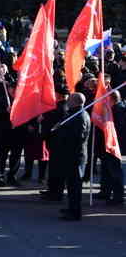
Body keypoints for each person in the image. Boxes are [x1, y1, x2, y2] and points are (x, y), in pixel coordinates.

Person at [58, 93, 91, 221]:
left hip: (76, 156)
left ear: (76, 102)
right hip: (71, 155)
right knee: (71, 185)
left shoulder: (81, 116)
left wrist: (64, 132)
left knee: (75, 186)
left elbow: (79, 137)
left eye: (70, 100)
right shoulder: (74, 114)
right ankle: (71, 207)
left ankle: (75, 212)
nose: (68, 101)